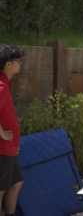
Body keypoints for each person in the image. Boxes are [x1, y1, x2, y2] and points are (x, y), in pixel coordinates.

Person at [0, 44, 24, 216]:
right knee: (0, 189)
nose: (20, 63)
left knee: (16, 182)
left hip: (9, 147)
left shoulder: (5, 84)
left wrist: (14, 143)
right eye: (18, 61)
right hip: (2, 148)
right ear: (8, 64)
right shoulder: (1, 86)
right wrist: (2, 134)